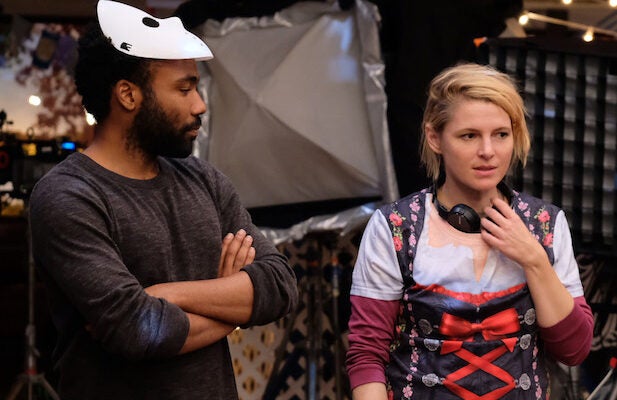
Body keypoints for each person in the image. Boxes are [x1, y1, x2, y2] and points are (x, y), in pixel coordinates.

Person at [28, 1, 298, 399]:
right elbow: (136, 329)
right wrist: (231, 304)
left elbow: (280, 285)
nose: (199, 105)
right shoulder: (69, 195)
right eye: (184, 89)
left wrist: (166, 295)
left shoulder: (204, 180)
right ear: (128, 95)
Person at [346, 63, 594, 400]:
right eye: (469, 136)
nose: (488, 151)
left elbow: (574, 350)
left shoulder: (545, 224)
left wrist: (535, 260)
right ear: (435, 138)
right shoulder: (395, 227)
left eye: (501, 134)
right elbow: (367, 356)